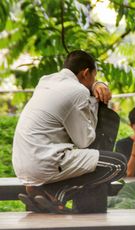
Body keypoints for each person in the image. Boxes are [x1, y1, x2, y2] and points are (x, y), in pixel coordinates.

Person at [12, 50, 126, 213]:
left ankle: (46, 192)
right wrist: (93, 102)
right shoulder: (78, 91)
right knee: (118, 164)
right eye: (94, 77)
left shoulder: (45, 82)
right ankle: (55, 192)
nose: (94, 82)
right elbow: (84, 141)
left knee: (98, 161)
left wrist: (95, 84)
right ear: (85, 73)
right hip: (45, 161)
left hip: (23, 164)